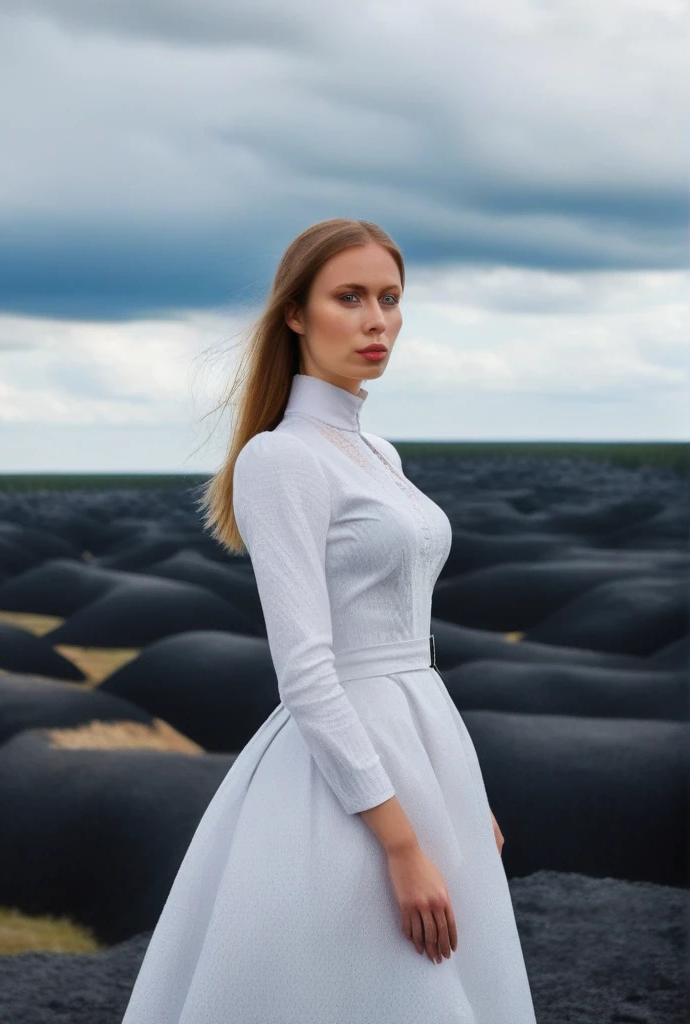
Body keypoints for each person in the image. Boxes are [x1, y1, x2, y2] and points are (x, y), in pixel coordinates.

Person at [120, 218, 538, 1023]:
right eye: (350, 298)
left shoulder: (380, 453)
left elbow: (408, 640)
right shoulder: (279, 460)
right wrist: (402, 843)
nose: (378, 320)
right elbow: (308, 673)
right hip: (344, 774)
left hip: (427, 747)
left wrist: (462, 793)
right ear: (296, 314)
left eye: (390, 298)